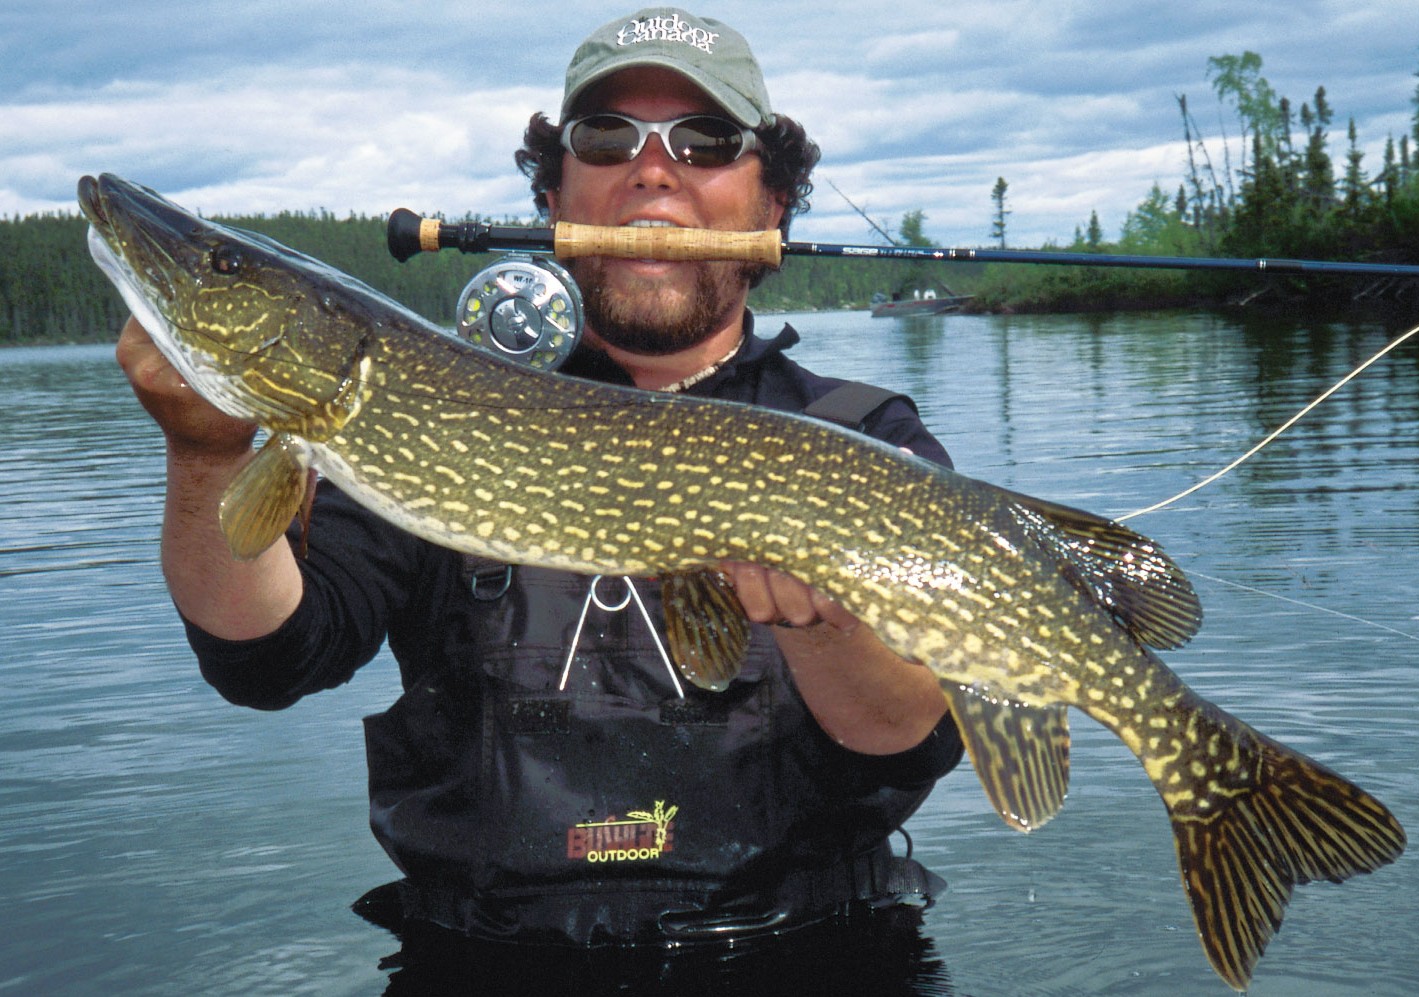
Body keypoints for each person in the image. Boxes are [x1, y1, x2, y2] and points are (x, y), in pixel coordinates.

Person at [115, 6, 962, 956]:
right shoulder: (442, 406)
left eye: (706, 140)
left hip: (813, 955)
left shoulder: (860, 436)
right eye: (606, 138)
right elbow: (270, 657)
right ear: (554, 198)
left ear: (771, 207)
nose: (653, 167)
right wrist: (204, 454)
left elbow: (909, 736)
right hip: (487, 960)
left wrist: (827, 625)